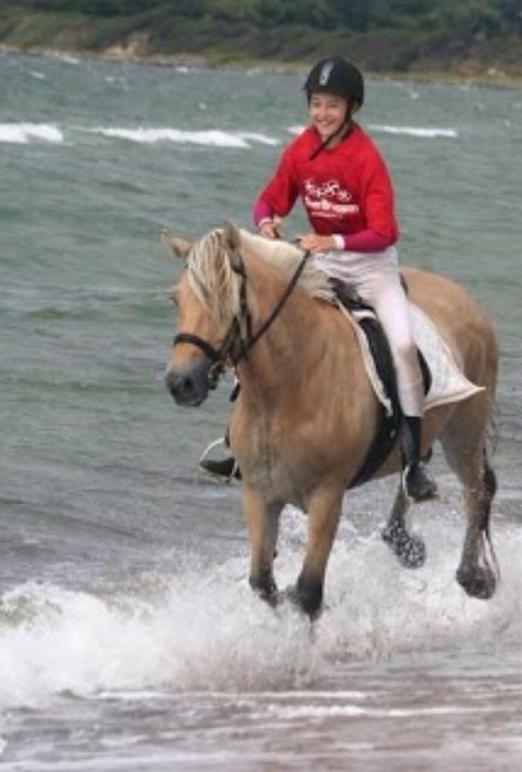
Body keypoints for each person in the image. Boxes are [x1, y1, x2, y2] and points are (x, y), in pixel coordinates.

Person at [201, 56, 438, 501]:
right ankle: (237, 444)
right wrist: (268, 220)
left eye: (331, 104)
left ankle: (412, 461)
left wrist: (335, 242)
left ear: (351, 107)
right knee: (262, 327)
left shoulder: (366, 157)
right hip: (320, 263)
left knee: (404, 347)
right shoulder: (301, 149)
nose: (321, 113)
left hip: (370, 267)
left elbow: (385, 230)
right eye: (315, 103)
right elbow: (270, 199)